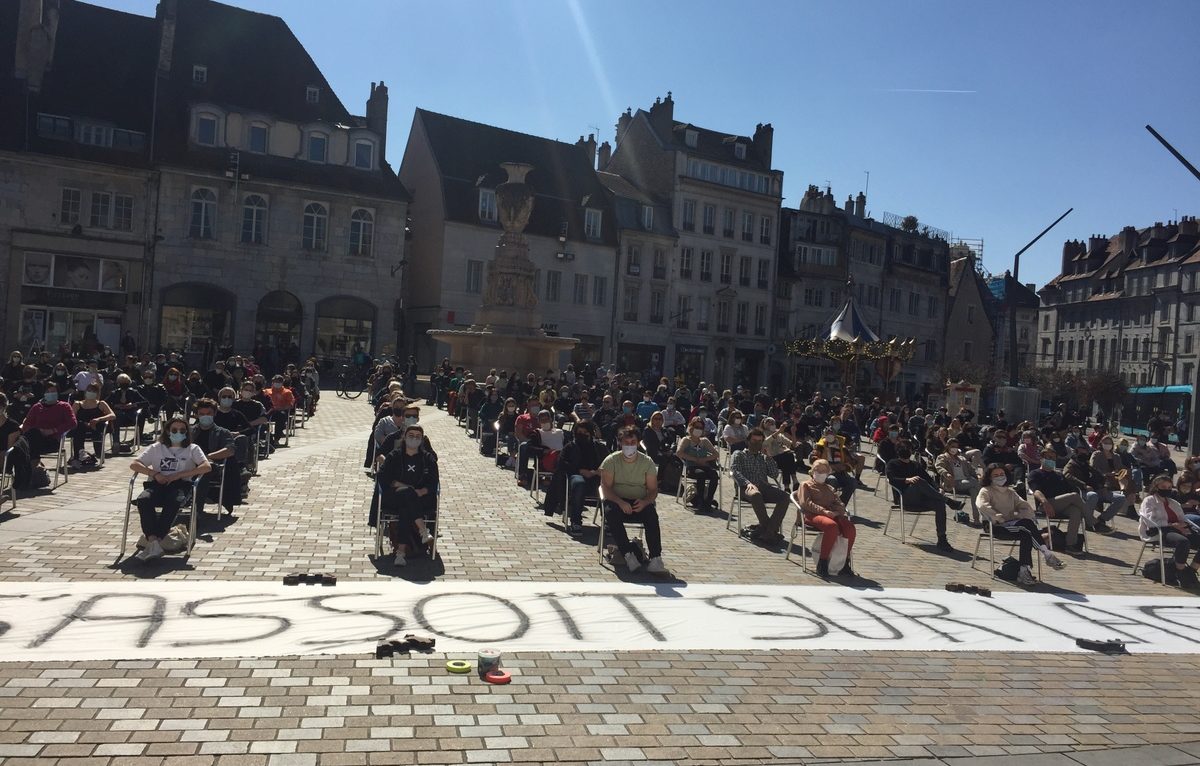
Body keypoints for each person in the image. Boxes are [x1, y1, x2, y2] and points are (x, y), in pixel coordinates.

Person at [129, 416, 211, 561]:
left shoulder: (192, 448)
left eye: (182, 430)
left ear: (187, 432)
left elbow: (206, 466)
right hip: (157, 483)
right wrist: (154, 473)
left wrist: (180, 475)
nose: (178, 432)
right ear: (167, 431)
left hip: (180, 484)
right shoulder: (156, 447)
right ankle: (153, 540)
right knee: (143, 500)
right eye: (174, 430)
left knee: (173, 500)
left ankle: (157, 541)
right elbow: (134, 464)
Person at [977, 463, 1064, 585]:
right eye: (995, 475)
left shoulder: (1010, 492)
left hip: (1013, 525)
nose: (999, 476)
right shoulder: (986, 491)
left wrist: (1019, 514)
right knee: (1027, 525)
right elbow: (982, 505)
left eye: (1002, 474)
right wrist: (996, 516)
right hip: (995, 526)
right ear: (989, 477)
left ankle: (1024, 571)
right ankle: (1047, 554)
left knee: (1026, 534)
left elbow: (1024, 505)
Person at [599, 426, 666, 573]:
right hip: (617, 501)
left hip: (639, 502)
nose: (629, 445)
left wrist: (645, 502)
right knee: (611, 512)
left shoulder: (647, 462)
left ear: (638, 443)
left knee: (651, 514)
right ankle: (628, 554)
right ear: (620, 443)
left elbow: (653, 489)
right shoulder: (611, 461)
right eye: (626, 442)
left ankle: (655, 558)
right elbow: (605, 488)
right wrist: (620, 502)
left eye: (633, 442)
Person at [374, 424, 437, 566]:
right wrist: (401, 485)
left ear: (421, 440)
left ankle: (400, 553)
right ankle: (423, 530)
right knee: (408, 494)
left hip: (420, 498)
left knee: (406, 507)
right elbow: (383, 477)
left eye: (417, 437)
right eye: (411, 435)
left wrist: (421, 491)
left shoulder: (427, 459)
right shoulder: (394, 456)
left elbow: (434, 483)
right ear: (404, 437)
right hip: (394, 496)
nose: (414, 439)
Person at [885, 442, 962, 551]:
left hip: (922, 499)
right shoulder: (892, 463)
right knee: (917, 480)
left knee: (939, 504)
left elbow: (929, 479)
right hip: (905, 497)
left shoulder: (915, 465)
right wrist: (906, 480)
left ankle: (942, 539)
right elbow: (891, 479)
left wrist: (937, 488)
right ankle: (948, 501)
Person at [795, 459, 857, 578]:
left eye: (824, 471)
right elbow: (806, 503)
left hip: (830, 514)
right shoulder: (805, 485)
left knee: (850, 528)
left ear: (828, 472)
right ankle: (822, 563)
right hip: (811, 515)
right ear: (812, 471)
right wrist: (824, 512)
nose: (820, 473)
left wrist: (838, 510)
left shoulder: (829, 488)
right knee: (831, 526)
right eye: (818, 470)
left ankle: (844, 562)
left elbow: (838, 503)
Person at [1138, 474, 1200, 587]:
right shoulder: (1149, 501)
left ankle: (1191, 570)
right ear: (1156, 487)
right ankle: (1181, 572)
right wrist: (1171, 524)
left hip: (1177, 529)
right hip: (1159, 530)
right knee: (1183, 542)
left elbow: (1183, 517)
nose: (1166, 490)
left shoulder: (1173, 503)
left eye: (1169, 487)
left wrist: (1183, 524)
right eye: (1163, 487)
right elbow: (1150, 521)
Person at [1027, 446, 1089, 553]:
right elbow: (1036, 491)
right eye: (1048, 457)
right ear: (1041, 458)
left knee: (1076, 511)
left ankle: (1070, 544)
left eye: (1053, 458)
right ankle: (1092, 521)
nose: (1051, 460)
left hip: (1060, 505)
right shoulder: (1035, 474)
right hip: (1045, 505)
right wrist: (1045, 502)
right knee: (1074, 496)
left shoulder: (1058, 475)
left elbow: (1068, 490)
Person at [731, 428, 788, 544]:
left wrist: (769, 457)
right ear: (748, 441)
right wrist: (748, 483)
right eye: (754, 441)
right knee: (756, 494)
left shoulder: (763, 457)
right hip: (745, 488)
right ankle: (770, 531)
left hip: (763, 487)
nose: (756, 444)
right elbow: (735, 471)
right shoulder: (739, 454)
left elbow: (774, 474)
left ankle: (768, 531)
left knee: (785, 497)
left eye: (759, 441)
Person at [1063, 442, 1124, 533]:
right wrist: (1083, 485)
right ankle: (1089, 522)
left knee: (1120, 498)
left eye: (1085, 451)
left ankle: (1102, 519)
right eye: (1081, 450)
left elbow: (1099, 476)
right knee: (1092, 496)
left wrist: (1103, 486)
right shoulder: (1072, 463)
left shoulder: (1087, 465)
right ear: (1077, 451)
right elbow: (1067, 475)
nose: (1084, 452)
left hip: (1097, 490)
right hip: (1081, 491)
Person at [561, 421, 605, 534]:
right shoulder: (570, 446)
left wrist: (596, 472)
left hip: (596, 476)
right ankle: (576, 521)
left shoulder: (599, 447)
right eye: (579, 432)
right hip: (576, 475)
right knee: (579, 484)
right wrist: (580, 471)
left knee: (609, 484)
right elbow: (562, 464)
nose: (582, 434)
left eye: (585, 432)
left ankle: (608, 521)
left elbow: (609, 462)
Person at [19, 382, 76, 467]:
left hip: (52, 440)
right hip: (35, 438)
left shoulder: (64, 406)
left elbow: (72, 423)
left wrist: (53, 430)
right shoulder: (37, 407)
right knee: (30, 436)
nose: (50, 394)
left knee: (25, 445)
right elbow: (27, 423)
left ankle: (33, 466)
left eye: (53, 391)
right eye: (48, 391)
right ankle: (34, 465)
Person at [676, 417, 719, 512]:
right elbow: (679, 453)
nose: (698, 429)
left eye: (700, 428)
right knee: (701, 475)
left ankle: (708, 500)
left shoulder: (704, 441)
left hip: (704, 465)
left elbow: (716, 454)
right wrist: (694, 459)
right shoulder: (686, 440)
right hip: (692, 467)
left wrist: (704, 459)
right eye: (696, 427)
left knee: (714, 475)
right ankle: (700, 501)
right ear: (691, 427)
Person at [935, 438, 981, 524]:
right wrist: (946, 473)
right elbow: (939, 467)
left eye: (956, 447)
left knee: (974, 491)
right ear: (948, 447)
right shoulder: (943, 457)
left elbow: (971, 469)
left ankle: (977, 519)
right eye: (952, 446)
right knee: (976, 483)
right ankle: (987, 499)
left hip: (967, 482)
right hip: (953, 482)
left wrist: (977, 474)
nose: (954, 449)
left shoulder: (962, 459)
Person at [69, 381, 115, 467]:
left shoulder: (101, 403)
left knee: (93, 428)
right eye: (89, 390)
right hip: (81, 428)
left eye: (94, 391)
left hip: (96, 427)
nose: (91, 393)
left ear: (97, 393)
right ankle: (79, 454)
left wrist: (98, 419)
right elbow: (71, 417)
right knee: (79, 426)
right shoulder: (77, 404)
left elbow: (112, 415)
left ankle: (80, 456)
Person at [263, 374, 295, 446]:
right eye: (276, 381)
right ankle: (266, 436)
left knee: (281, 416)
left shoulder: (287, 392)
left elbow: (290, 404)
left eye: (279, 381)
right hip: (269, 411)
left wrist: (281, 408)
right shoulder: (266, 391)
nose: (277, 383)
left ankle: (276, 438)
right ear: (272, 382)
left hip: (280, 411)